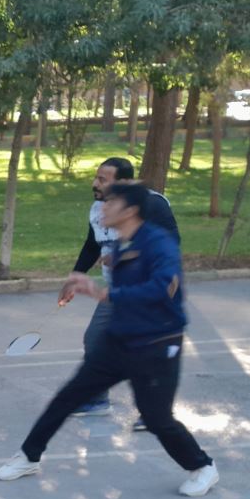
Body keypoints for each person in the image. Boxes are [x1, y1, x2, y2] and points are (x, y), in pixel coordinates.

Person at [0, 182, 218, 498]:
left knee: (156, 418)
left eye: (111, 203)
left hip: (157, 343)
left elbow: (163, 288)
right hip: (119, 340)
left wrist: (106, 293)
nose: (103, 208)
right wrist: (85, 279)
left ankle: (203, 466)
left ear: (130, 211)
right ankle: (29, 456)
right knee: (68, 397)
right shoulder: (121, 243)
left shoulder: (159, 243)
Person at [67, 158, 178, 424]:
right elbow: (92, 245)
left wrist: (124, 256)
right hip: (117, 290)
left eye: (102, 179)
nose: (95, 184)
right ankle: (97, 400)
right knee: (95, 338)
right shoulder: (99, 208)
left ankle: (155, 412)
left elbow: (170, 246)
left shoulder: (152, 205)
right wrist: (75, 277)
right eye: (96, 177)